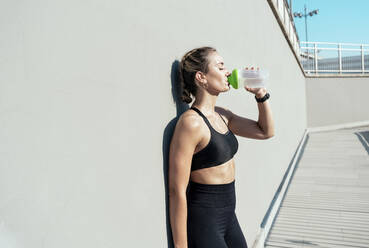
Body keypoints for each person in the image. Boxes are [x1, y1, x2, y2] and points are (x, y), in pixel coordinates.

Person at [168, 47, 274, 248]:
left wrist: (260, 94)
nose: (227, 72)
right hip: (204, 220)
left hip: (229, 216)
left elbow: (265, 132)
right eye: (220, 66)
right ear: (201, 77)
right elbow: (176, 191)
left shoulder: (223, 115)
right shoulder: (191, 123)